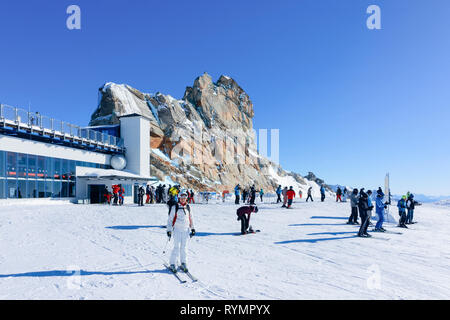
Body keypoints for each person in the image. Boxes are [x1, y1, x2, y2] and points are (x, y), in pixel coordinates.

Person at [167, 190, 195, 273]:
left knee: (184, 247)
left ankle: (183, 262)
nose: (183, 199)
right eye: (182, 197)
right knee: (177, 247)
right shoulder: (175, 207)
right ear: (179, 198)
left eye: (185, 197)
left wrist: (193, 228)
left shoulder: (188, 207)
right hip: (177, 230)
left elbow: (191, 218)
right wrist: (169, 230)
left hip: (186, 230)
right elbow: (170, 220)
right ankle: (172, 263)